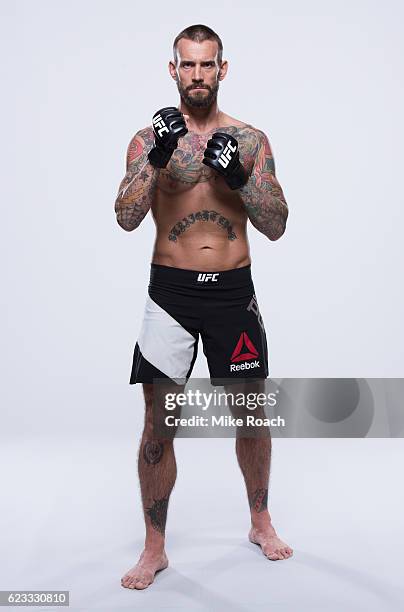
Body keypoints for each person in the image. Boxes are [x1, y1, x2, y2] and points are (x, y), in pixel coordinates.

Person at [115, 24, 292, 591]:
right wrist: (157, 160)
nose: (196, 76)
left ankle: (259, 521)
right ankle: (155, 547)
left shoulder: (250, 139)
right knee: (157, 423)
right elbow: (125, 215)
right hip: (171, 292)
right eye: (187, 66)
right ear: (173, 70)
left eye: (206, 65)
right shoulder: (150, 139)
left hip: (233, 295)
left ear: (223, 68)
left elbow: (277, 224)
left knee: (250, 414)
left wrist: (240, 178)